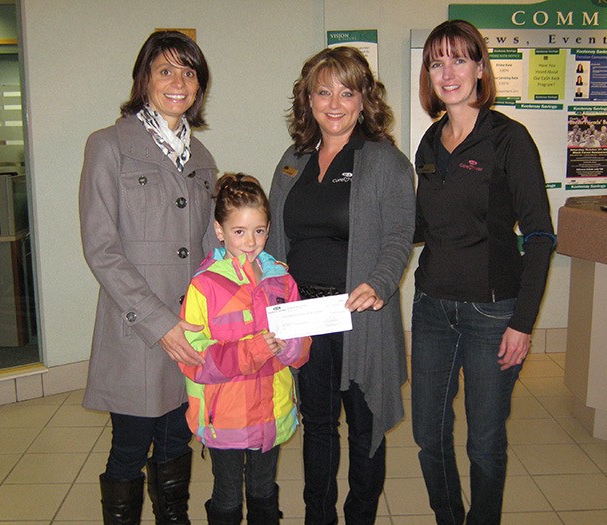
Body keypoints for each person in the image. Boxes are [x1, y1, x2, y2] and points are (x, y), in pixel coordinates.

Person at [412, 20, 555, 524]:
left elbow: (540, 236)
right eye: (436, 62)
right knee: (427, 435)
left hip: (492, 312)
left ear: (479, 68)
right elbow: (419, 226)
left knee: (485, 442)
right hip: (431, 307)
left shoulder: (508, 140)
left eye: (458, 59)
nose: (447, 72)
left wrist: (523, 321)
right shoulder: (429, 144)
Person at [267, 46, 416, 524]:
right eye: (323, 91)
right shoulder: (291, 161)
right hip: (304, 317)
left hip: (359, 316)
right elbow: (273, 239)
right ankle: (319, 517)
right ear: (307, 99)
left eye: (346, 92)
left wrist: (380, 281)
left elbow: (398, 235)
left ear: (363, 99)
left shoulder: (385, 162)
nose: (335, 103)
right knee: (318, 427)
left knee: (363, 427)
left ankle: (360, 517)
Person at [79, 30, 217, 524]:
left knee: (178, 438)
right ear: (144, 79)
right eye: (166, 71)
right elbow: (102, 249)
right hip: (137, 329)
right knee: (130, 447)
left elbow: (207, 250)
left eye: (189, 72)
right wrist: (160, 322)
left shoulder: (202, 159)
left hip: (191, 329)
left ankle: (173, 517)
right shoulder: (109, 145)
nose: (179, 82)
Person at [179, 172, 311, 524]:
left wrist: (288, 346)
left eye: (260, 230)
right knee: (227, 495)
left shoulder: (281, 279)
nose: (251, 242)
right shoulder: (204, 286)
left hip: (272, 409)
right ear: (220, 231)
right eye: (239, 231)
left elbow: (301, 349)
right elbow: (193, 359)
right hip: (225, 416)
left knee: (264, 490)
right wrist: (250, 351)